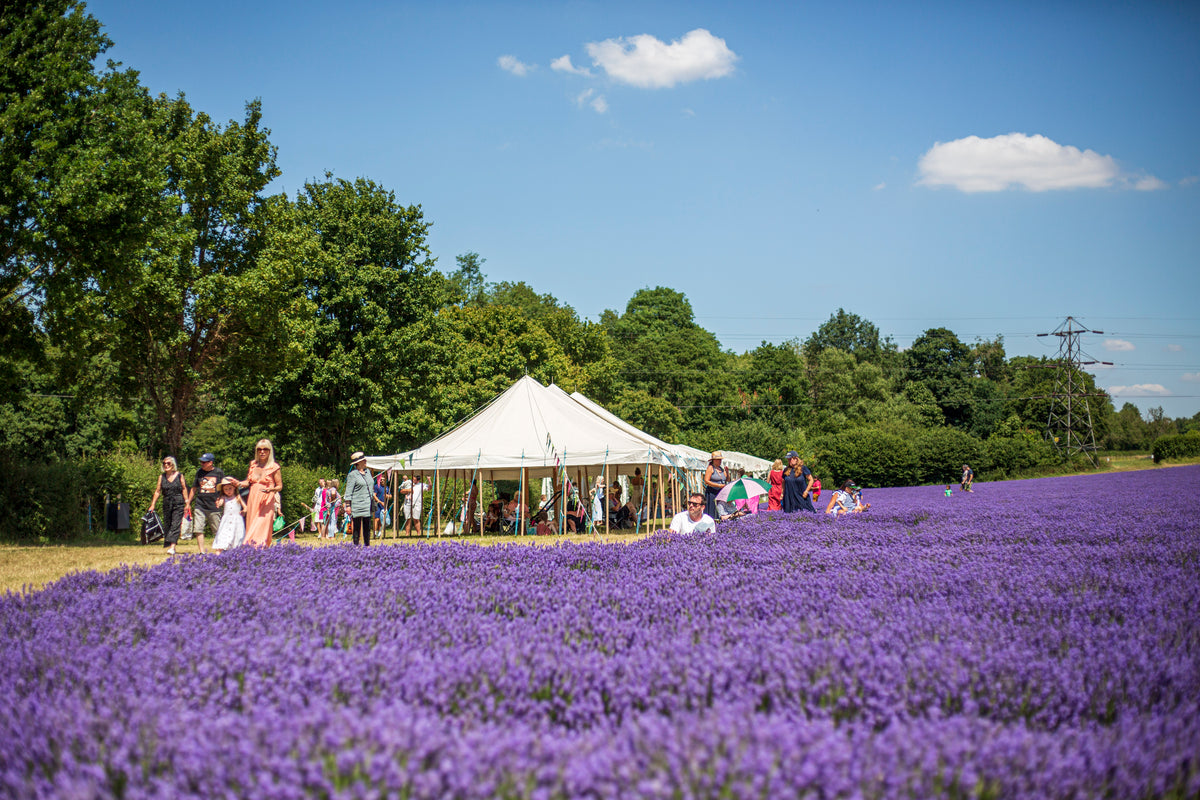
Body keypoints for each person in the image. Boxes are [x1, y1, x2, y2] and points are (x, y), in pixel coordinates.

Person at [241, 439, 282, 548]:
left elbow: (280, 486)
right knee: (251, 523)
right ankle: (250, 548)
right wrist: (238, 483)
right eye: (259, 449)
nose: (262, 452)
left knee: (262, 524)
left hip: (267, 499)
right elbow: (248, 482)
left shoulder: (274, 466)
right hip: (253, 497)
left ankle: (260, 548)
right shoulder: (253, 464)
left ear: (270, 451)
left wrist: (271, 490)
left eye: (265, 449)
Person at [148, 456, 191, 556]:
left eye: (168, 463)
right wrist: (153, 504)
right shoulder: (161, 477)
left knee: (175, 524)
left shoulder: (179, 475)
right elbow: (158, 491)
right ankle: (170, 543)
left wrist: (187, 502)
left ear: (173, 465)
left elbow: (184, 489)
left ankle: (172, 547)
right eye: (164, 463)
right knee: (168, 524)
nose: (166, 465)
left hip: (178, 502)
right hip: (166, 502)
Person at [188, 453, 223, 554]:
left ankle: (219, 551)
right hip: (200, 505)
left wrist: (221, 499)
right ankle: (202, 552)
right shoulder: (199, 472)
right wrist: (188, 503)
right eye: (201, 462)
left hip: (214, 506)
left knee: (217, 530)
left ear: (210, 462)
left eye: (204, 462)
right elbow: (194, 488)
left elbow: (223, 488)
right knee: (198, 528)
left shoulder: (218, 472)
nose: (201, 464)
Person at [345, 451, 376, 546]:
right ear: (358, 463)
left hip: (367, 504)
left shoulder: (368, 473)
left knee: (367, 527)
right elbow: (348, 491)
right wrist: (348, 505)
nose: (365, 461)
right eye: (363, 460)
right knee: (357, 528)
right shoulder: (352, 475)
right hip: (357, 504)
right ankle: (355, 546)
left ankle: (367, 546)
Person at [211, 477, 246, 553]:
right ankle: (219, 553)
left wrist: (244, 511)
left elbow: (245, 507)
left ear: (234, 488)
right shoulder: (223, 497)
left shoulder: (238, 497)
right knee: (223, 535)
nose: (228, 491)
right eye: (226, 489)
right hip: (226, 521)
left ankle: (236, 553)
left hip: (237, 521)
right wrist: (218, 503)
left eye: (230, 488)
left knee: (237, 536)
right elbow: (220, 503)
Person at [703, 451, 728, 519]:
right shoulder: (710, 468)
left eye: (721, 459)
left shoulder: (721, 469)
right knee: (712, 509)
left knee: (721, 509)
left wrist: (727, 472)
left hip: (720, 492)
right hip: (712, 492)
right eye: (718, 459)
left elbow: (727, 479)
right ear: (714, 460)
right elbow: (706, 481)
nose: (720, 461)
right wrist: (719, 485)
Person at [373, 474, 391, 539]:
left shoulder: (387, 487)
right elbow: (374, 495)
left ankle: (380, 532)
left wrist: (387, 496)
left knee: (382, 519)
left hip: (384, 505)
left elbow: (390, 496)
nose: (382, 481)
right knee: (376, 519)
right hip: (377, 505)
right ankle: (374, 532)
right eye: (381, 480)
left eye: (383, 480)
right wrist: (380, 502)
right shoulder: (376, 486)